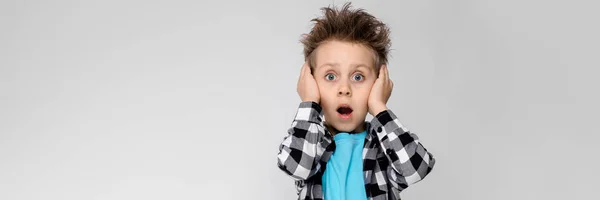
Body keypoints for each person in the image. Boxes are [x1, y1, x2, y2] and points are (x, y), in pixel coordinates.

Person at [277, 3, 436, 200]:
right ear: (310, 82)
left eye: (358, 77)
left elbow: (417, 168)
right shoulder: (312, 143)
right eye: (330, 76)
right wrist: (310, 102)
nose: (344, 89)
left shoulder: (384, 148)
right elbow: (296, 165)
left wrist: (379, 107)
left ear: (378, 82)